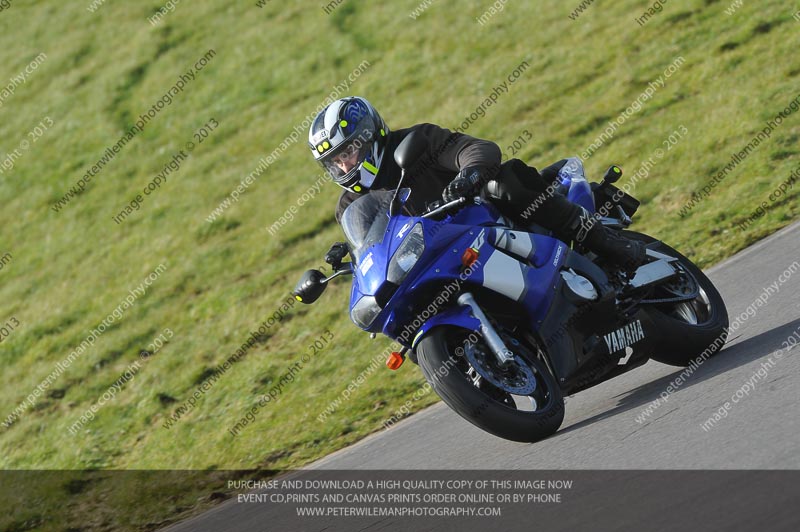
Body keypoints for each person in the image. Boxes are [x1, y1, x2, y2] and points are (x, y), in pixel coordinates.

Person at [308, 96, 645, 269]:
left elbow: (478, 150)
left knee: (504, 182)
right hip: (439, 259)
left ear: (369, 134)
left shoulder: (417, 141)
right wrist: (354, 257)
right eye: (334, 161)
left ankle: (606, 242)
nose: (344, 163)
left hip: (489, 223)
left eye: (348, 151)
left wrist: (468, 176)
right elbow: (375, 251)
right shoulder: (349, 206)